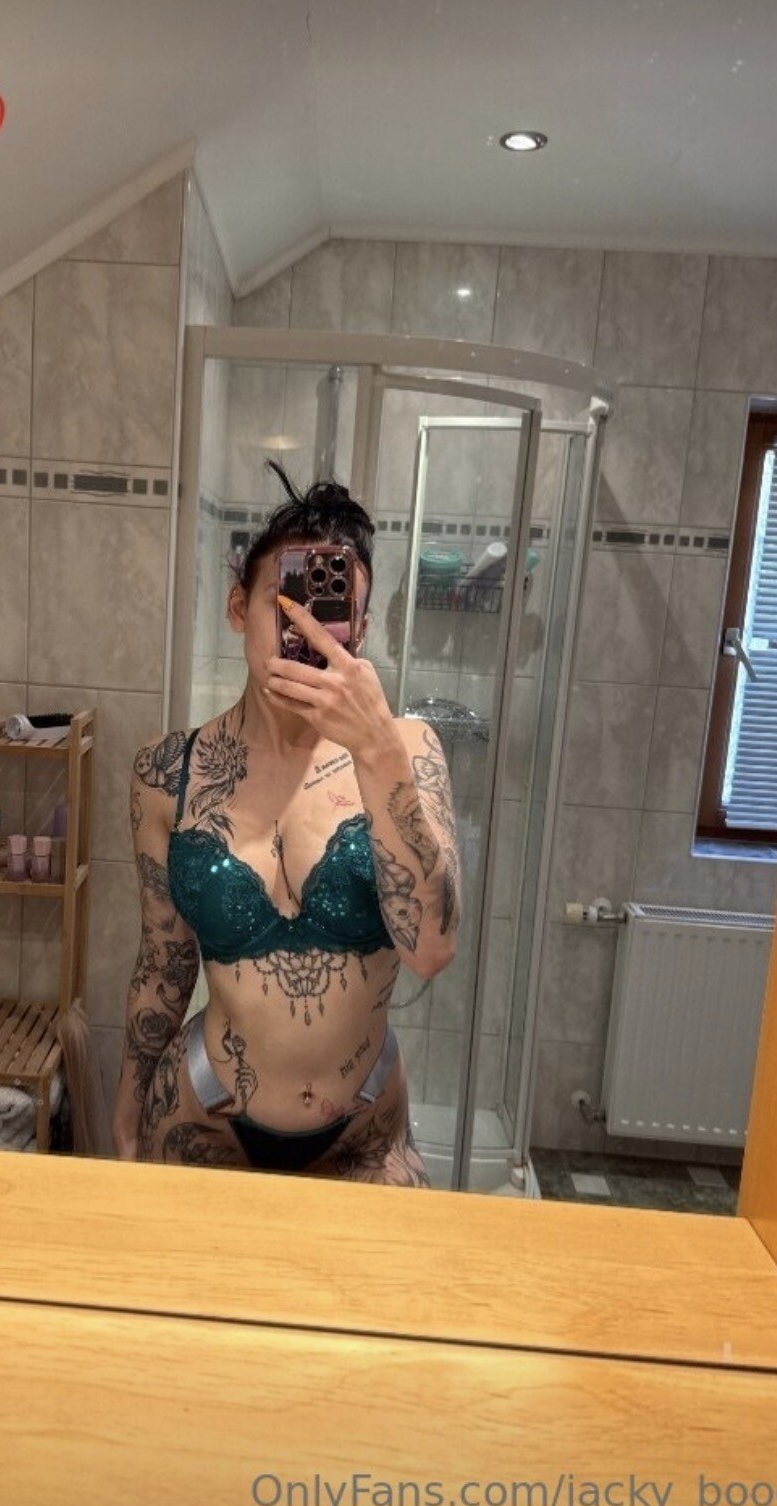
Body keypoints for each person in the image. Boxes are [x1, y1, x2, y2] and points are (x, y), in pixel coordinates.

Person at [111, 460, 461, 1184]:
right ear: (239, 608)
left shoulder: (408, 750)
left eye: (329, 612)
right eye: (286, 603)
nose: (303, 628)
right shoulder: (167, 773)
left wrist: (378, 752)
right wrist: (126, 1106)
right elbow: (163, 964)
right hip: (199, 1115)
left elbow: (430, 949)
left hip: (366, 1132)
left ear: (358, 630)